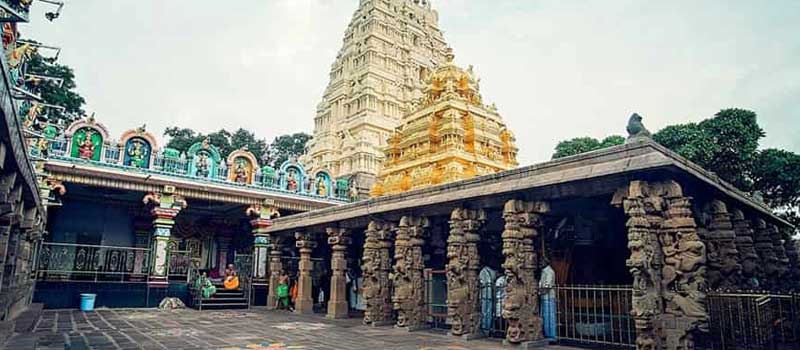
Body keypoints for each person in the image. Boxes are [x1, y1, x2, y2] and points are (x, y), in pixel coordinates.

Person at [539, 260, 557, 341]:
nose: (540, 263)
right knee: (545, 317)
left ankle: (552, 336)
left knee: (550, 317)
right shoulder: (543, 271)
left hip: (548, 296)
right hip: (544, 296)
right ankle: (547, 334)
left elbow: (548, 285)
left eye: (541, 262)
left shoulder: (549, 271)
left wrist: (540, 292)